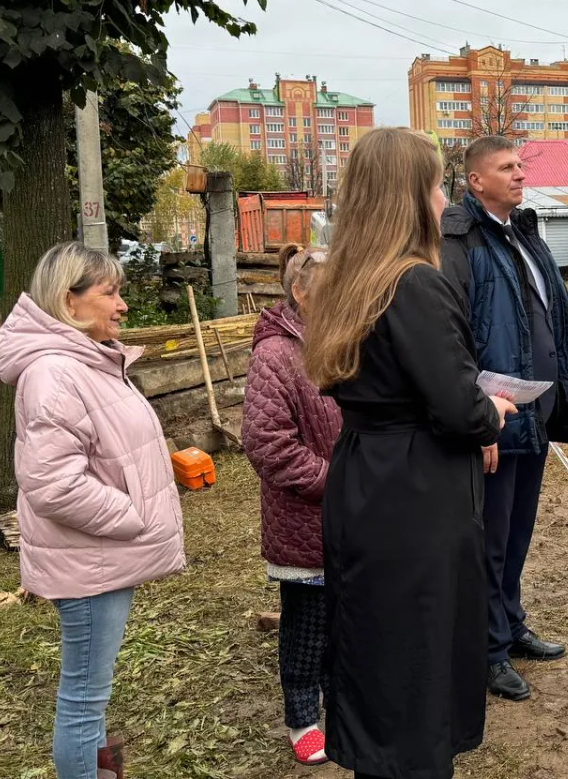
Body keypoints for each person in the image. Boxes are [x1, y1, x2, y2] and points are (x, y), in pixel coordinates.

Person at [303, 127, 518, 779]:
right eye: (434, 185)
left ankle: (378, 758)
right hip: (416, 492)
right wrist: (492, 414)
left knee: (375, 639)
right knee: (418, 646)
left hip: (364, 476)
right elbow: (456, 403)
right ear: (407, 197)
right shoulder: (413, 283)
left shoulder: (345, 279)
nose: (442, 200)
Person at [0, 242, 185, 779]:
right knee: (82, 700)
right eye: (110, 293)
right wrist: (133, 517)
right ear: (69, 302)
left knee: (90, 697)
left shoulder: (86, 362)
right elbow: (52, 484)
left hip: (98, 559)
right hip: (89, 565)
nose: (122, 305)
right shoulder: (55, 373)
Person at [440, 135, 568, 702]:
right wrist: (477, 416)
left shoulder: (523, 236)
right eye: (505, 168)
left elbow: (554, 318)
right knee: (490, 539)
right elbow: (455, 334)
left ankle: (510, 624)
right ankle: (487, 651)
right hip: (496, 419)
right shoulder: (461, 242)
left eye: (520, 166)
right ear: (475, 180)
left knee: (517, 535)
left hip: (533, 414)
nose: (519, 175)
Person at [242, 243, 342, 766]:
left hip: (351, 518)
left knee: (345, 622)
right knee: (306, 628)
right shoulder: (275, 355)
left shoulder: (344, 344)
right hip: (306, 521)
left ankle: (341, 707)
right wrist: (336, 481)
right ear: (300, 291)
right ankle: (302, 718)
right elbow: (268, 444)